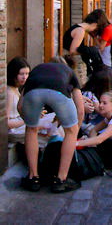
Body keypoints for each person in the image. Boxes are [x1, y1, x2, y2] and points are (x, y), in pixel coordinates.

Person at [18, 59, 84, 192]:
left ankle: (33, 178)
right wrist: (75, 132)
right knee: (71, 131)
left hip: (33, 93)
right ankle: (61, 179)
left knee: (31, 130)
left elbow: (20, 106)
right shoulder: (69, 72)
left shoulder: (37, 71)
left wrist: (30, 121)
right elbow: (80, 110)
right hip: (59, 94)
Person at [62, 9, 108, 86]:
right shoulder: (80, 31)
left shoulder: (76, 27)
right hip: (71, 63)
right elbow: (72, 51)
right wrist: (88, 50)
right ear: (95, 25)